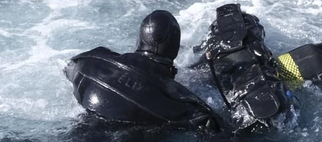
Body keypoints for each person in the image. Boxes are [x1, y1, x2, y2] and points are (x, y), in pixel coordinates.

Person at [64, 10, 221, 134]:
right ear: (174, 49)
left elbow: (68, 68)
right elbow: (216, 128)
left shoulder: (91, 60)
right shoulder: (181, 102)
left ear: (139, 39)